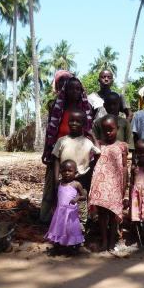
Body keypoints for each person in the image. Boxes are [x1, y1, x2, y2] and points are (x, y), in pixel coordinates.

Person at [40, 75, 93, 223]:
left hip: (79, 157)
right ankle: (48, 220)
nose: (74, 91)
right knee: (53, 187)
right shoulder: (58, 107)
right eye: (71, 88)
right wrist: (46, 150)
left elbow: (89, 133)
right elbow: (50, 130)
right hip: (58, 153)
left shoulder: (86, 108)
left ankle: (77, 222)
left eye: (77, 89)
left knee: (77, 189)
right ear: (66, 90)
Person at [52, 108, 101, 230]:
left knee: (80, 207)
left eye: (78, 121)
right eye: (71, 121)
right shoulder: (62, 140)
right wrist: (56, 178)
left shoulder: (87, 142)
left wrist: (93, 136)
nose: (74, 123)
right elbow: (56, 159)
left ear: (84, 124)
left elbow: (98, 152)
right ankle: (64, 232)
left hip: (82, 179)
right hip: (64, 180)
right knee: (64, 205)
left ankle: (80, 232)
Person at [89, 114, 128, 251]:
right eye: (105, 130)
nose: (108, 133)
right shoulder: (98, 145)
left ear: (117, 129)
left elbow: (124, 167)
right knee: (102, 214)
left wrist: (124, 185)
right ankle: (104, 240)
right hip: (101, 185)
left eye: (111, 129)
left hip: (115, 186)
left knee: (113, 215)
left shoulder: (122, 146)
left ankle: (112, 240)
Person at [44, 159, 86, 253]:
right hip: (60, 212)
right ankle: (58, 246)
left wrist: (77, 198)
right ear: (60, 172)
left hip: (71, 213)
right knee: (59, 228)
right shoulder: (59, 183)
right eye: (64, 171)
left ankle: (72, 246)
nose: (67, 173)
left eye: (70, 171)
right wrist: (54, 206)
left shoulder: (76, 184)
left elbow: (84, 196)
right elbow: (56, 196)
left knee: (71, 229)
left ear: (75, 172)